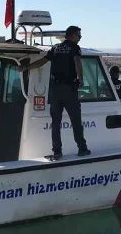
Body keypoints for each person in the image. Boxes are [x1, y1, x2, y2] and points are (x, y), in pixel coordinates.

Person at [17, 25, 90, 160]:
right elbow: (77, 61)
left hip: (55, 90)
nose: (80, 38)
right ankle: (82, 148)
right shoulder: (74, 48)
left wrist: (26, 67)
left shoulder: (55, 48)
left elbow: (42, 62)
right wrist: (81, 78)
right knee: (76, 120)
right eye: (79, 35)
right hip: (69, 89)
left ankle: (57, 151)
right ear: (72, 35)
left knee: (56, 122)